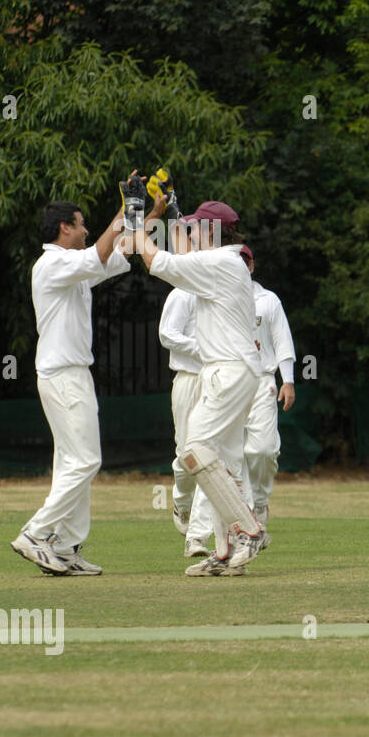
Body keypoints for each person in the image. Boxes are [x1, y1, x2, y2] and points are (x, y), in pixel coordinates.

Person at [124, 192, 267, 575]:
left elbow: (156, 261)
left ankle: (249, 530)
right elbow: (186, 255)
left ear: (210, 231)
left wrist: (137, 221)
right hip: (232, 369)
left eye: (194, 227)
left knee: (194, 452)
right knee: (215, 459)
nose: (189, 232)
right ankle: (222, 554)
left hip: (229, 370)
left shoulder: (220, 262)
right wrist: (170, 213)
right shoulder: (227, 259)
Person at [10, 184, 134, 576]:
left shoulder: (76, 266)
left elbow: (121, 250)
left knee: (71, 464)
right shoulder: (52, 265)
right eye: (81, 225)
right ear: (65, 227)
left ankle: (64, 548)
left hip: (73, 375)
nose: (86, 231)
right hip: (62, 375)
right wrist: (123, 208)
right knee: (85, 460)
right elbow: (101, 249)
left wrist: (148, 212)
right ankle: (36, 533)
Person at [187, 244, 295, 552]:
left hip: (261, 381)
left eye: (245, 261)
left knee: (261, 450)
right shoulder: (215, 295)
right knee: (211, 456)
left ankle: (258, 505)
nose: (240, 266)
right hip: (228, 380)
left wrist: (288, 380)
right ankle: (198, 533)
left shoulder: (267, 300)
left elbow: (282, 340)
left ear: (251, 265)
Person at [157, 285, 204, 554]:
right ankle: (182, 500)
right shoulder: (182, 293)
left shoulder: (222, 290)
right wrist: (201, 348)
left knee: (214, 457)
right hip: (188, 379)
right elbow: (167, 334)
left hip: (217, 379)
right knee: (188, 455)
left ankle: (197, 536)